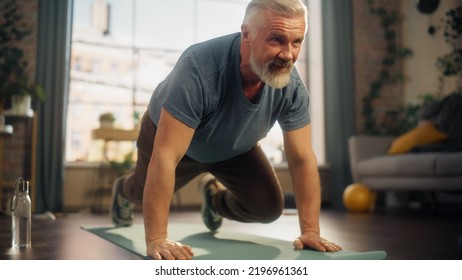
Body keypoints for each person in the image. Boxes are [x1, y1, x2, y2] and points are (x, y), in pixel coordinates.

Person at [111, 0, 342, 260]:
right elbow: (165, 156)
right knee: (141, 194)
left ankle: (213, 199)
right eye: (277, 40)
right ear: (247, 34)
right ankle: (123, 188)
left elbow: (301, 158)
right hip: (176, 143)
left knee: (268, 209)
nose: (288, 54)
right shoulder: (199, 67)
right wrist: (157, 239)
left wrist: (310, 230)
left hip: (234, 146)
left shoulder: (291, 87)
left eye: (297, 42)